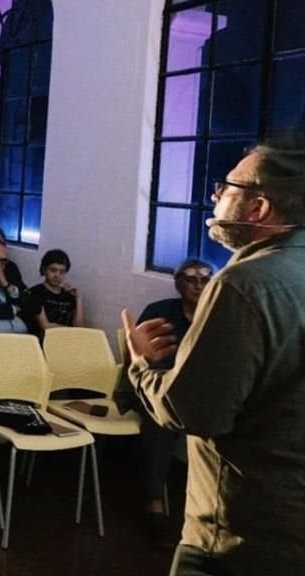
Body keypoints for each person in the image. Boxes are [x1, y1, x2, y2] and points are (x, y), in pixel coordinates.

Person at [122, 140, 305, 574]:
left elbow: (194, 414)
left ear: (258, 207)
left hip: (237, 537)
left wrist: (143, 365)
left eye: (226, 186)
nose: (215, 196)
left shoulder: (244, 284)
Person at [132, 258, 213, 548]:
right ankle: (155, 505)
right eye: (191, 279)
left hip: (198, 395)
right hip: (155, 389)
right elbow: (141, 361)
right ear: (178, 283)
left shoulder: (215, 315)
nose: (198, 285)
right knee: (160, 425)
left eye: (205, 279)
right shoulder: (159, 314)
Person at [29, 249, 85, 332]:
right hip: (43, 341)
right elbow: (45, 326)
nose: (57, 275)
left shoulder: (68, 295)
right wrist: (72, 331)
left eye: (62, 272)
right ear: (44, 270)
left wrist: (78, 299)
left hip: (67, 340)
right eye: (53, 270)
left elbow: (80, 328)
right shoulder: (35, 292)